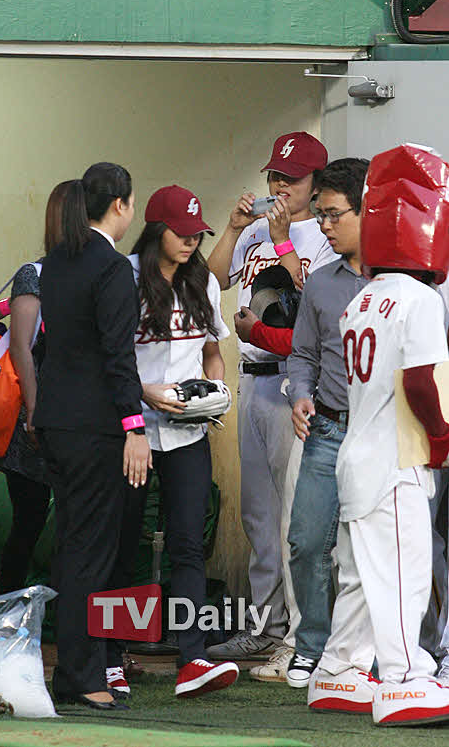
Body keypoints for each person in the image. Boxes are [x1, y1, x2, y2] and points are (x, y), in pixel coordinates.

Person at [307, 144, 449, 726]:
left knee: (363, 578)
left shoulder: (362, 298)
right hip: (395, 458)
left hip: (356, 450)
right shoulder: (420, 298)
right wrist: (442, 440)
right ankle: (406, 678)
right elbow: (422, 382)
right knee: (402, 573)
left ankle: (338, 671)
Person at [207, 132, 336, 669]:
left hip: (293, 382)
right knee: (258, 516)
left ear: (315, 185)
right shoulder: (255, 228)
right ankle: (266, 628)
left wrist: (283, 241)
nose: (281, 185)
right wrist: (235, 227)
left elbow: (312, 305)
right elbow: (212, 281)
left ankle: (301, 642)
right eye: (275, 175)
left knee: (293, 520)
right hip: (252, 377)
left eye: (292, 177)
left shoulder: (325, 233)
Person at [107, 185, 239, 699]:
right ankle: (111, 658)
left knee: (188, 543)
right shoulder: (125, 277)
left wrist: (216, 390)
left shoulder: (203, 280)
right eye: (181, 233)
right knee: (123, 544)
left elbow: (212, 351)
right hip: (132, 430)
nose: (190, 241)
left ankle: (192, 657)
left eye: (197, 233)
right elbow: (111, 359)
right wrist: (145, 394)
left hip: (187, 430)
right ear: (156, 230)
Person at [33, 165, 152, 711]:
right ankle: (83, 675)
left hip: (56, 420)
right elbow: (117, 355)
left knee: (71, 546)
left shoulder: (56, 261)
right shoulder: (111, 267)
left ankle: (69, 668)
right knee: (92, 551)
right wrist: (134, 426)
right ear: (120, 205)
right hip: (94, 426)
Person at [283, 158, 369, 687]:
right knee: (307, 541)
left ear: (368, 211)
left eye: (335, 215)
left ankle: (387, 654)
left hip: (384, 435)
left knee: (380, 550)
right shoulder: (319, 284)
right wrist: (299, 395)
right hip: (328, 429)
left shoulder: (409, 284)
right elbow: (304, 356)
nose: (325, 226)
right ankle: (311, 645)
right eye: (321, 216)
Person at [0, 180, 71, 594]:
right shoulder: (35, 274)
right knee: (30, 521)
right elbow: (22, 347)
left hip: (79, 417)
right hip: (34, 419)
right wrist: (34, 410)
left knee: (73, 527)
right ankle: (10, 611)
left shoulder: (104, 273)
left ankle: (64, 613)